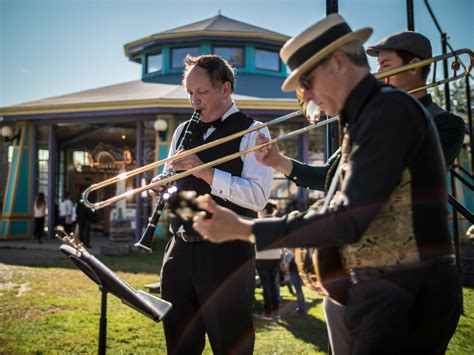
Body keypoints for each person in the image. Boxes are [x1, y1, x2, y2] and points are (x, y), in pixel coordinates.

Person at [192, 14, 462, 354]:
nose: (304, 95)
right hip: (381, 292)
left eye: (306, 81)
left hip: (406, 297)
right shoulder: (367, 117)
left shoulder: (388, 111)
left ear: (338, 62)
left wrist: (245, 228)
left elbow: (348, 218)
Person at [154, 54, 273, 354]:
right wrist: (165, 192)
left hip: (227, 256)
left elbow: (258, 197)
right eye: (190, 93)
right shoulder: (183, 131)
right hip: (179, 252)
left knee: (230, 345)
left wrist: (205, 171)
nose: (194, 101)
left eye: (202, 92)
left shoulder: (254, 131)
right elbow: (183, 195)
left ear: (225, 89)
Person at [366, 31, 465, 166]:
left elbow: (407, 174)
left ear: (414, 67)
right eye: (378, 64)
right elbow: (329, 174)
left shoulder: (446, 123)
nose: (378, 73)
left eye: (386, 65)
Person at [255, 202, 281, 321]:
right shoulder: (278, 222)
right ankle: (276, 311)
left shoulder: (258, 222)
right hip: (275, 257)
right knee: (273, 285)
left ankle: (268, 312)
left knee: (267, 286)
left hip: (261, 258)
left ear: (264, 210)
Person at [280, 248, 306, 316]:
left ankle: (301, 309)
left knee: (298, 289)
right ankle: (301, 308)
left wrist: (287, 263)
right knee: (298, 289)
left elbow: (293, 252)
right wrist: (284, 262)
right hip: (294, 268)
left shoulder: (293, 243)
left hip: (295, 268)